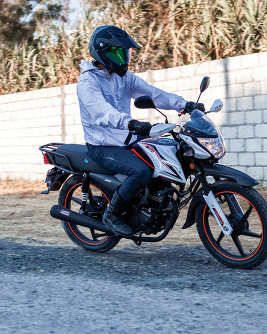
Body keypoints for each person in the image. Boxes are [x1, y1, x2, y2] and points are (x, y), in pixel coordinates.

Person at [77, 25, 204, 237]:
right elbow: (102, 113)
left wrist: (185, 105)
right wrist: (131, 123)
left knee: (169, 153)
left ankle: (150, 205)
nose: (123, 57)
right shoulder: (87, 82)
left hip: (128, 138)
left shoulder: (123, 77)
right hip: (103, 144)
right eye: (117, 52)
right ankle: (112, 214)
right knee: (141, 171)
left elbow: (154, 94)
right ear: (103, 52)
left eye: (125, 52)